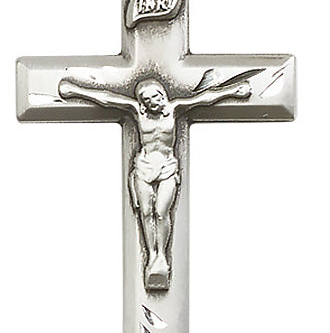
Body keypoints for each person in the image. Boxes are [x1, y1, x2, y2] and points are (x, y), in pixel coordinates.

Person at [58, 76, 250, 289]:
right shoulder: (137, 112)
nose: (152, 103)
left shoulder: (175, 109)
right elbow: (107, 98)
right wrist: (76, 91)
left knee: (161, 212)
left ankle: (163, 255)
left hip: (167, 168)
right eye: (147, 100)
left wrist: (232, 91)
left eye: (155, 97)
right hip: (144, 168)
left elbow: (205, 99)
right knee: (146, 213)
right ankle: (152, 255)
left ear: (163, 95)